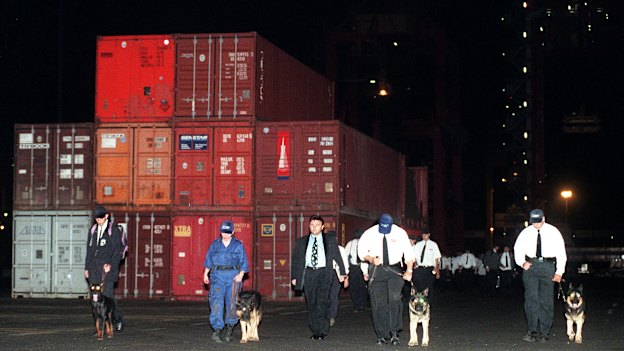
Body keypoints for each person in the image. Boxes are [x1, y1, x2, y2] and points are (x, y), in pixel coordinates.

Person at [358, 214, 414, 346]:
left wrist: (409, 270)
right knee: (378, 302)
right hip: (377, 269)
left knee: (394, 299)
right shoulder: (369, 233)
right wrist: (371, 259)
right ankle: (381, 334)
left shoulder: (400, 233)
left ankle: (394, 333)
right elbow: (361, 252)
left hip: (395, 269)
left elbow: (408, 253)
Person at [514, 209, 567, 343]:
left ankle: (545, 332)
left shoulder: (553, 231)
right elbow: (517, 248)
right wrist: (522, 262)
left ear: (544, 218)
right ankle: (531, 331)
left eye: (538, 222)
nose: (536, 225)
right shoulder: (526, 232)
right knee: (531, 299)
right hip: (531, 265)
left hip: (548, 265)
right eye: (533, 222)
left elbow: (561, 252)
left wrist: (559, 272)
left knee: (546, 300)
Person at [291, 215, 346, 340]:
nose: (314, 227)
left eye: (317, 225)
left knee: (323, 300)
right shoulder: (301, 242)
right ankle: (315, 328)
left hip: (324, 273)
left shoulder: (330, 240)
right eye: (312, 225)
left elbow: (337, 256)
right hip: (309, 273)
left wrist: (342, 272)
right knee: (311, 302)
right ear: (309, 226)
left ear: (322, 227)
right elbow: (295, 260)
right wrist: (295, 276)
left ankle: (322, 330)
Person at [203, 220, 250, 343]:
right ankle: (217, 330)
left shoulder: (238, 245)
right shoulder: (214, 245)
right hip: (217, 276)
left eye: (228, 232)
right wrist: (205, 274)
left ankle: (230, 328)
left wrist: (241, 274)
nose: (226, 235)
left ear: (233, 232)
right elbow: (209, 260)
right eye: (224, 232)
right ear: (220, 231)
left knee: (232, 303)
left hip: (233, 277)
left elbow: (244, 261)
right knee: (216, 302)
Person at [84, 205, 124, 332]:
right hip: (94, 269)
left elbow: (118, 251)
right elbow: (89, 251)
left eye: (101, 219)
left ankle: (117, 319)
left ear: (106, 216)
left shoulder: (114, 230)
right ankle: (99, 328)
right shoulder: (93, 230)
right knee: (95, 298)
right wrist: (86, 268)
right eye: (96, 219)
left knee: (107, 297)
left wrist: (111, 265)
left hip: (107, 270)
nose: (98, 221)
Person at [411, 228, 441, 302]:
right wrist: (414, 265)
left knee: (429, 287)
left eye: (426, 235)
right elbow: (414, 256)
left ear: (429, 234)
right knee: (419, 287)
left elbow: (436, 258)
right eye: (423, 235)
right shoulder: (418, 244)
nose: (425, 236)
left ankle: (429, 303)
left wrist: (437, 270)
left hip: (429, 269)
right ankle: (420, 302)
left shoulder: (433, 244)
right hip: (420, 269)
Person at [327, 233, 349, 326]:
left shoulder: (339, 249)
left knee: (332, 295)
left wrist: (345, 276)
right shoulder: (339, 248)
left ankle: (331, 316)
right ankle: (329, 316)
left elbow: (344, 263)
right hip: (330, 273)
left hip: (334, 273)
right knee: (330, 295)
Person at [344, 229, 369, 312]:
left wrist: (365, 272)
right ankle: (357, 304)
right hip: (354, 268)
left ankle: (360, 305)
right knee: (355, 287)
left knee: (361, 287)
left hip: (360, 267)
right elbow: (346, 257)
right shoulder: (350, 244)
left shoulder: (362, 244)